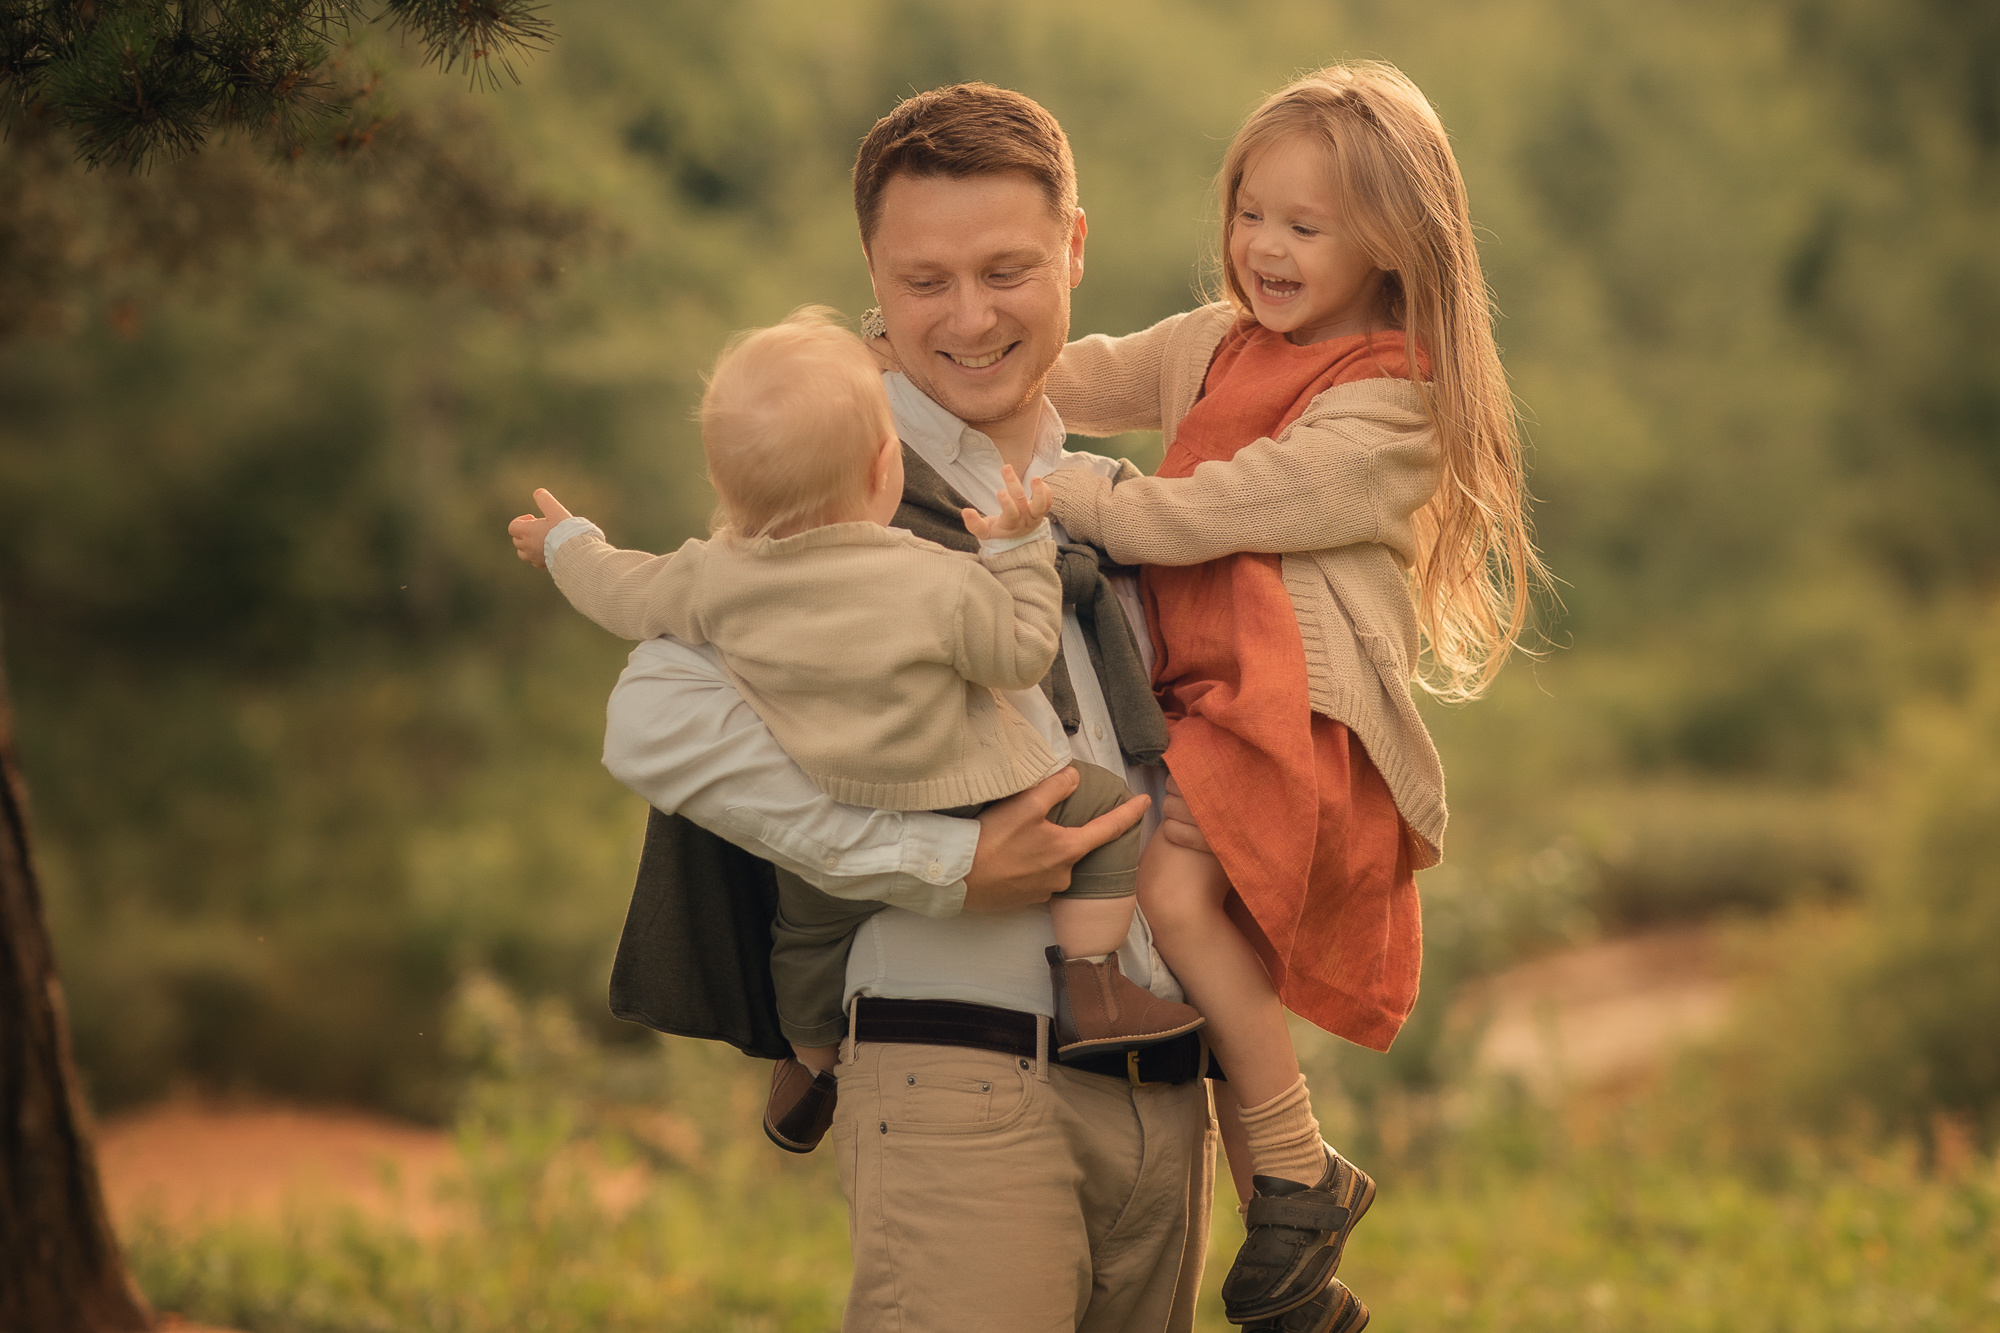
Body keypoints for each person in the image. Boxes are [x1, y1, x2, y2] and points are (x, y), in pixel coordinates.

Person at [529, 85, 1219, 1332]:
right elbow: (654, 720)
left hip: (1163, 1088)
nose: (969, 317)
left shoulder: (1110, 498)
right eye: (924, 281)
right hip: (959, 1068)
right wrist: (939, 862)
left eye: (1005, 270)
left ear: (1073, 247)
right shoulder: (823, 483)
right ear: (873, 277)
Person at [1034, 62, 1547, 1332]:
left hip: (1293, 715)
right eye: (1248, 212)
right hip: (1210, 696)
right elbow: (1076, 373)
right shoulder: (1212, 345)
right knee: (1203, 960)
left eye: (1303, 227)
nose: (1263, 246)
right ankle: (1293, 1257)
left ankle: (1302, 1172)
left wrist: (1078, 496)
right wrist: (928, 358)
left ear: (1389, 244)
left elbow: (1219, 507)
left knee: (1169, 895)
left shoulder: (1390, 403)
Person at [505, 308, 1202, 1154]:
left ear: (726, 484)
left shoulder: (713, 577)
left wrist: (566, 542)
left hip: (842, 806)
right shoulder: (931, 577)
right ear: (885, 469)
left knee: (803, 937)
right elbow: (1023, 653)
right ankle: (1094, 986)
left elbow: (621, 590)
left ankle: (808, 1068)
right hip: (971, 795)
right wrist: (1019, 554)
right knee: (1104, 809)